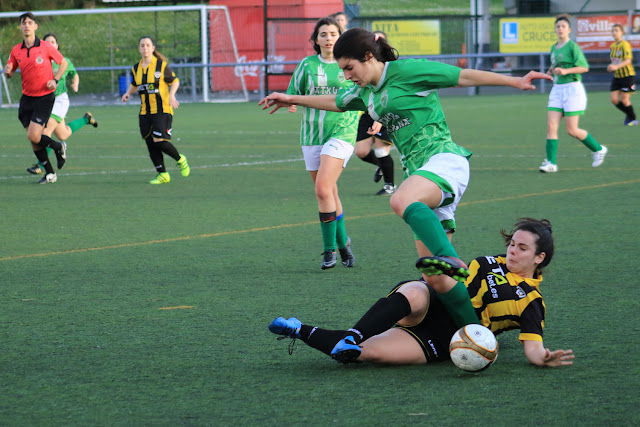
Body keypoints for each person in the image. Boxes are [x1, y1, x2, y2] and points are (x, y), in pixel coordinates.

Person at [260, 28, 551, 327]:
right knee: (434, 279)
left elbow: (462, 77)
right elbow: (336, 101)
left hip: (444, 160)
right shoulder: (365, 91)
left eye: (349, 67)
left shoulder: (407, 70)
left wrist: (515, 80)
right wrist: (289, 98)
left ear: (369, 56)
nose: (346, 75)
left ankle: (453, 260)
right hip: (421, 178)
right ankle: (475, 333)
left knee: (401, 199)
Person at [269, 218, 575, 368]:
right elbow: (456, 280)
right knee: (417, 289)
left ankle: (301, 329)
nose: (512, 250)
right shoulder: (488, 263)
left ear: (539, 259)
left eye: (522, 248)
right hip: (433, 303)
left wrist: (543, 358)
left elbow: (533, 346)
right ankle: (353, 332)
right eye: (512, 243)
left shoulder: (531, 301)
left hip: (452, 338)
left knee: (363, 354)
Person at [281, 17, 359, 270]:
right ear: (316, 40)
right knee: (330, 192)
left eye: (333, 33)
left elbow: (365, 92)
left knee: (323, 190)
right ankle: (343, 244)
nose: (328, 38)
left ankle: (329, 251)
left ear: (341, 36)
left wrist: (377, 118)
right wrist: (289, 102)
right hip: (312, 134)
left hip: (342, 131)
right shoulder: (306, 65)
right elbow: (294, 92)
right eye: (323, 34)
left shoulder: (349, 64)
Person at [4, 12, 68, 184]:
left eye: (30, 22)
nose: (27, 26)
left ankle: (58, 147)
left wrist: (55, 80)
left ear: (35, 26)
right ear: (20, 27)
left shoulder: (45, 47)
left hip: (44, 97)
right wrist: (8, 72)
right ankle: (50, 174)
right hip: (27, 98)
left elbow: (63, 63)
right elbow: (11, 71)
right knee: (34, 140)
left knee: (33, 135)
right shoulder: (16, 50)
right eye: (23, 23)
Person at [539, 14, 607, 173]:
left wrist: (565, 71)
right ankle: (551, 163)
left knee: (572, 130)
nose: (560, 29)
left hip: (572, 89)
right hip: (557, 89)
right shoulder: (553, 48)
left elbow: (584, 67)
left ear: (569, 29)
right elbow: (554, 65)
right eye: (557, 26)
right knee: (551, 125)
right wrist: (548, 72)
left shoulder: (572, 47)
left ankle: (598, 149)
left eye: (563, 26)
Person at [26, 33, 99, 176]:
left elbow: (74, 74)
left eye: (53, 42)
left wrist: (75, 82)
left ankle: (41, 165)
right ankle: (86, 119)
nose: (50, 44)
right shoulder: (39, 61)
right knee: (63, 134)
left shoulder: (64, 61)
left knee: (44, 132)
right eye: (47, 42)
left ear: (57, 45)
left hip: (60, 100)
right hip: (45, 102)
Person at [121, 36, 190, 184]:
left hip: (162, 109)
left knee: (159, 140)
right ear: (139, 49)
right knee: (150, 143)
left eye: (148, 45)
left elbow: (175, 81)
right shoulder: (136, 68)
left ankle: (180, 159)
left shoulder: (161, 66)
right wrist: (128, 93)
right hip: (145, 112)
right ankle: (162, 174)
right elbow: (135, 84)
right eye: (142, 45)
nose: (145, 48)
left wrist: (172, 95)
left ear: (153, 48)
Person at [354, 31, 396, 196]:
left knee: (380, 150)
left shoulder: (390, 66)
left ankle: (390, 185)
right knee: (361, 152)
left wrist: (382, 117)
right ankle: (381, 164)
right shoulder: (363, 64)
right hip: (367, 114)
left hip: (385, 113)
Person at [607, 23, 637, 126]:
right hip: (617, 77)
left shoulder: (625, 44)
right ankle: (629, 114)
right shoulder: (612, 46)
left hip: (628, 77)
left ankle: (633, 118)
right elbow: (615, 61)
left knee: (624, 100)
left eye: (616, 30)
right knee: (614, 100)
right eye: (612, 31)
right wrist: (611, 66)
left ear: (622, 32)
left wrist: (616, 67)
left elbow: (628, 60)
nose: (614, 32)